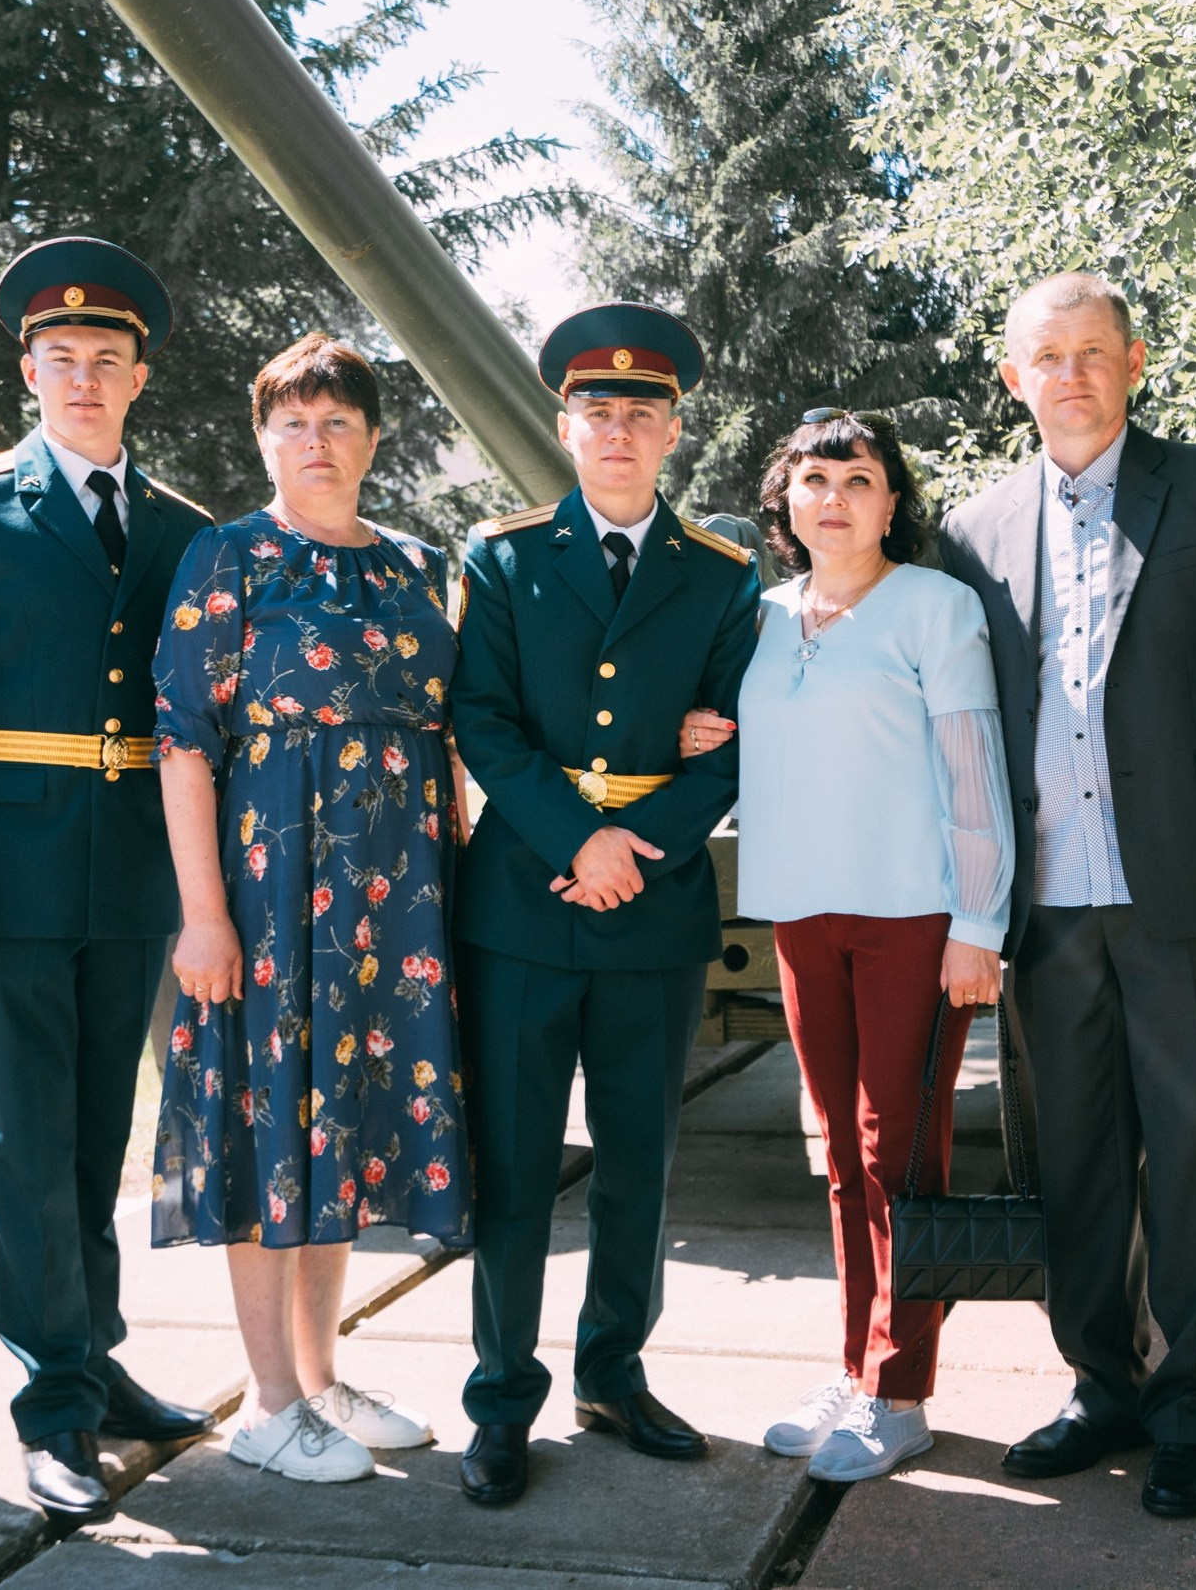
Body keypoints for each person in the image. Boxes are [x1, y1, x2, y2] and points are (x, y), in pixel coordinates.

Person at [936, 273, 1196, 1518]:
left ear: (1134, 361)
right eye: (1045, 356)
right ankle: (1100, 1382)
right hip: (1044, 907)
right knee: (1070, 1153)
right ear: (1012, 377)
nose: (1070, 375)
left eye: (1093, 352)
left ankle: (1193, 1407)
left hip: (1189, 892)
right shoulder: (973, 530)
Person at [0, 236, 216, 1524]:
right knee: (29, 1141)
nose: (85, 378)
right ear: (30, 372)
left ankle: (95, 1359)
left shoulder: (184, 526)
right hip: (11, 875)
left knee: (98, 1142)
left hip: (133, 871)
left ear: (140, 377)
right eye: (62, 358)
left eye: (108, 360)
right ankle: (50, 1407)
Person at [448, 302, 761, 1507]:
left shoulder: (723, 573)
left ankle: (613, 1373)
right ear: (564, 422)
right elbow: (479, 716)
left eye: (641, 411)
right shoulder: (506, 554)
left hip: (655, 906)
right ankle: (499, 1400)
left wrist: (638, 844)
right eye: (596, 409)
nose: (617, 429)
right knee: (517, 1166)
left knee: (640, 1159)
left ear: (674, 430)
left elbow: (738, 742)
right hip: (525, 901)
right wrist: (582, 839)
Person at [148, 334, 467, 1483]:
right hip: (269, 896)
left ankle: (323, 1379)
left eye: (337, 422)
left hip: (399, 899)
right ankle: (268, 1403)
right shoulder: (228, 557)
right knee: (267, 1129)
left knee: (342, 1131)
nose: (315, 442)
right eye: (292, 422)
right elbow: (183, 745)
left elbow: (462, 726)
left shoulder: (419, 565)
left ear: (374, 439)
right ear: (261, 436)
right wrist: (204, 916)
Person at [679, 410, 1012, 1483]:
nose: (834, 497)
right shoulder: (761, 618)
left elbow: (973, 771)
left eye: (858, 478)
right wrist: (696, 728)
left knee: (900, 1153)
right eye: (813, 479)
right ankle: (854, 1367)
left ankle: (902, 1390)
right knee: (839, 1157)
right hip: (802, 916)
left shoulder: (934, 605)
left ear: (891, 501)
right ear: (783, 501)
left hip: (917, 915)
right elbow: (728, 733)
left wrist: (979, 923)